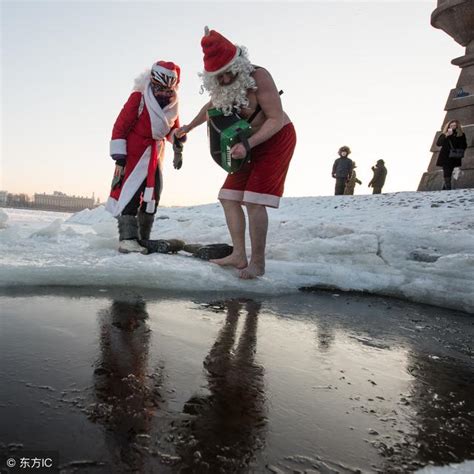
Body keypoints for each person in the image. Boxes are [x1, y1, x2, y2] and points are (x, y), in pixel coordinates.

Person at [176, 27, 297, 279]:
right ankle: (238, 255)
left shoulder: (259, 77)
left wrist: (249, 144)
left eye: (229, 73)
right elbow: (210, 107)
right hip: (246, 141)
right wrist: (188, 126)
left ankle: (258, 263)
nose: (226, 80)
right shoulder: (222, 86)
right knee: (229, 197)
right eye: (219, 77)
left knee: (253, 200)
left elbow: (274, 119)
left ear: (238, 64)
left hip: (276, 138)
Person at [105, 61, 185, 253]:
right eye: (159, 88)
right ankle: (127, 238)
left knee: (153, 194)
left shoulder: (173, 104)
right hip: (135, 153)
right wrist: (120, 156)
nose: (163, 93)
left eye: (167, 90)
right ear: (152, 82)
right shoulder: (139, 98)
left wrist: (178, 146)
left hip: (156, 155)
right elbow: (120, 125)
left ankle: (143, 237)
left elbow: (172, 130)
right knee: (130, 193)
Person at [435, 119, 467, 190]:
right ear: (448, 126)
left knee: (449, 171)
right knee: (447, 171)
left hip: (454, 156)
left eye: (454, 125)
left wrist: (458, 149)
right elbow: (438, 143)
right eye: (451, 125)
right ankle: (448, 188)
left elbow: (464, 145)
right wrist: (446, 135)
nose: (452, 127)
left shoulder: (461, 134)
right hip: (445, 156)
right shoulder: (444, 134)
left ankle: (444, 188)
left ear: (457, 126)